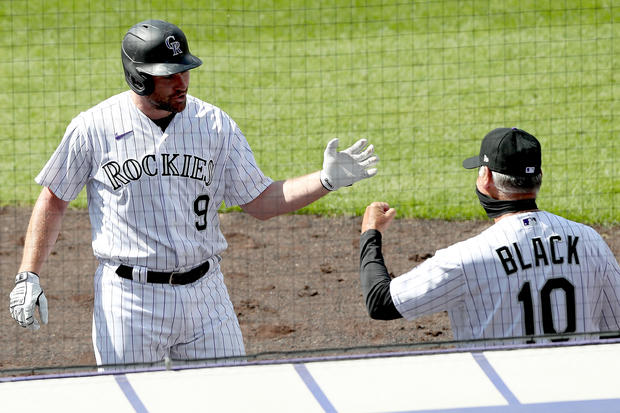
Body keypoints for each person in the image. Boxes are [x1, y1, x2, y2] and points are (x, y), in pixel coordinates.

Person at [8, 19, 378, 367]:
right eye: (168, 76)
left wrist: (325, 180)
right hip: (130, 300)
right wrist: (29, 274)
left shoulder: (215, 125)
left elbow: (260, 201)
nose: (181, 81)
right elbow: (54, 198)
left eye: (184, 70)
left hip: (206, 296)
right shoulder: (93, 128)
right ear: (138, 78)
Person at [359, 127, 620, 346]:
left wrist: (371, 232)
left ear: (486, 178)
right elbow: (615, 328)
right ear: (539, 177)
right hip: (580, 399)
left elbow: (380, 302)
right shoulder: (590, 241)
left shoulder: (466, 258)